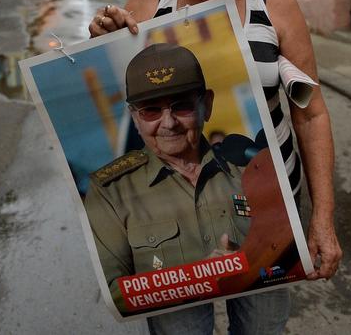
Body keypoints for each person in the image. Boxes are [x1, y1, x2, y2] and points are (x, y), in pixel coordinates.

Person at [88, 0, 342, 333]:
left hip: (267, 216)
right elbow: (123, 96)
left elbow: (311, 116)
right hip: (168, 221)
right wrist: (103, 40)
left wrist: (322, 218)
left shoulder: (276, 4)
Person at [85, 44, 295, 330]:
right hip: (174, 307)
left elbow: (288, 240)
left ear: (206, 104)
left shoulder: (251, 165)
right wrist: (196, 278)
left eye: (181, 105)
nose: (168, 123)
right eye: (150, 111)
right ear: (134, 117)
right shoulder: (111, 190)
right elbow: (115, 294)